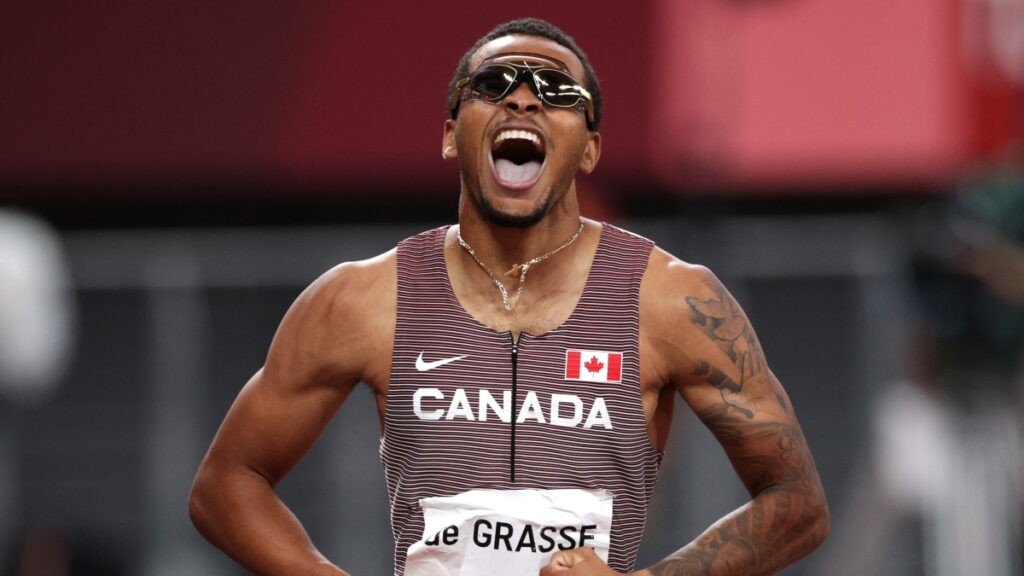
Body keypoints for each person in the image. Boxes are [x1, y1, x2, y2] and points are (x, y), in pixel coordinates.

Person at [189, 17, 829, 575]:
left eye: (557, 91)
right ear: (449, 135)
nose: (522, 99)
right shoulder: (364, 299)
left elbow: (797, 503)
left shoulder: (671, 300)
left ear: (590, 150)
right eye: (493, 84)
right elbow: (224, 484)